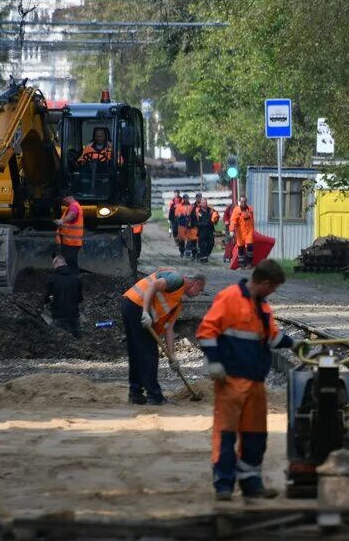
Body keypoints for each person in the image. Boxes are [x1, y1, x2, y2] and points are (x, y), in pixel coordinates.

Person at [197, 259, 294, 501]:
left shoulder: (262, 307)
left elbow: (270, 337)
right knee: (227, 435)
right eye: (272, 288)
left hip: (255, 381)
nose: (273, 293)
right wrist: (214, 361)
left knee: (255, 436)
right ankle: (224, 486)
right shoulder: (229, 298)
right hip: (231, 380)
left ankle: (251, 485)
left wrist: (295, 344)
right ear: (262, 282)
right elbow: (207, 331)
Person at [121, 268, 206, 405]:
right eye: (200, 290)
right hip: (136, 306)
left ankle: (135, 393)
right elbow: (153, 286)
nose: (199, 294)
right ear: (196, 283)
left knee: (137, 352)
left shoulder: (177, 302)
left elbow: (169, 329)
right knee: (149, 353)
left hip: (131, 305)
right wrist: (145, 313)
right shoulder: (176, 280)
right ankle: (154, 396)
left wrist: (172, 357)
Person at [41, 255, 83, 337]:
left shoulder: (52, 280)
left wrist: (51, 299)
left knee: (60, 342)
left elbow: (45, 299)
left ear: (56, 265)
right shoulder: (76, 279)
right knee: (78, 341)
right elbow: (80, 299)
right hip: (74, 315)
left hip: (59, 316)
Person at [55, 193, 84, 270]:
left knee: (71, 264)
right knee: (70, 263)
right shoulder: (73, 206)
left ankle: (73, 278)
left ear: (66, 198)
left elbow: (72, 215)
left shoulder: (73, 206)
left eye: (62, 201)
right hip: (70, 242)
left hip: (71, 242)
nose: (63, 203)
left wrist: (62, 221)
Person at [230, 196, 256, 269]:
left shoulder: (250, 209)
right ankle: (241, 264)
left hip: (249, 232)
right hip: (240, 232)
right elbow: (233, 221)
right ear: (239, 202)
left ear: (246, 201)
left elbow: (252, 220)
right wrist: (231, 230)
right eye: (242, 201)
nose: (243, 203)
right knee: (241, 248)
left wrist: (253, 229)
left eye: (244, 201)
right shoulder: (236, 210)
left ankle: (249, 263)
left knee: (250, 248)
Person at [194, 198, 220, 263]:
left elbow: (216, 217)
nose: (205, 204)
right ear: (200, 204)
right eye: (203, 203)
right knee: (202, 244)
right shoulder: (197, 211)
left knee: (211, 244)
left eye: (205, 202)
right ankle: (203, 256)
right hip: (201, 230)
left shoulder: (211, 210)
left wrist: (216, 218)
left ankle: (205, 254)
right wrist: (201, 224)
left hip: (210, 229)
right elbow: (194, 221)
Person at [184, 193, 203, 259]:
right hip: (193, 226)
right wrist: (187, 226)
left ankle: (201, 254)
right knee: (193, 241)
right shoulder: (192, 206)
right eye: (198, 197)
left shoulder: (203, 206)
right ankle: (193, 254)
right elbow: (188, 217)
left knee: (201, 241)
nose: (199, 199)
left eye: (200, 197)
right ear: (196, 198)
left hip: (201, 226)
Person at [222, 199, 236, 264]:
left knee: (235, 242)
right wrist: (226, 221)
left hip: (236, 227)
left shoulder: (239, 208)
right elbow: (225, 216)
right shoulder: (229, 207)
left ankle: (234, 256)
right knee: (228, 241)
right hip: (229, 227)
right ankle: (227, 256)